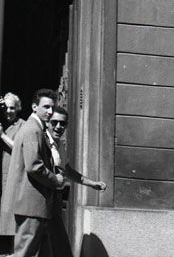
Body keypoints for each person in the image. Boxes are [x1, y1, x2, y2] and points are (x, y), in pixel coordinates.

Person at [3, 88, 64, 257]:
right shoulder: (33, 129)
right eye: (46, 107)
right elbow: (34, 166)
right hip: (31, 204)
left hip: (35, 204)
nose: (50, 111)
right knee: (25, 252)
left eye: (52, 107)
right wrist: (55, 179)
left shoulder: (35, 128)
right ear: (34, 107)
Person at [44, 106, 106, 257]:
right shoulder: (42, 141)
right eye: (54, 122)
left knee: (58, 245)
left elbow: (67, 170)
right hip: (43, 200)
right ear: (47, 123)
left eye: (63, 123)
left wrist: (92, 183)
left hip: (55, 201)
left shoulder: (59, 144)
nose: (58, 127)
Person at [0, 92, 25, 240]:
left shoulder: (22, 125)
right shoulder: (0, 121)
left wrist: (2, 135)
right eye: (5, 108)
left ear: (18, 108)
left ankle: (12, 245)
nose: (8, 111)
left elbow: (19, 147)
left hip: (12, 172)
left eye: (12, 108)